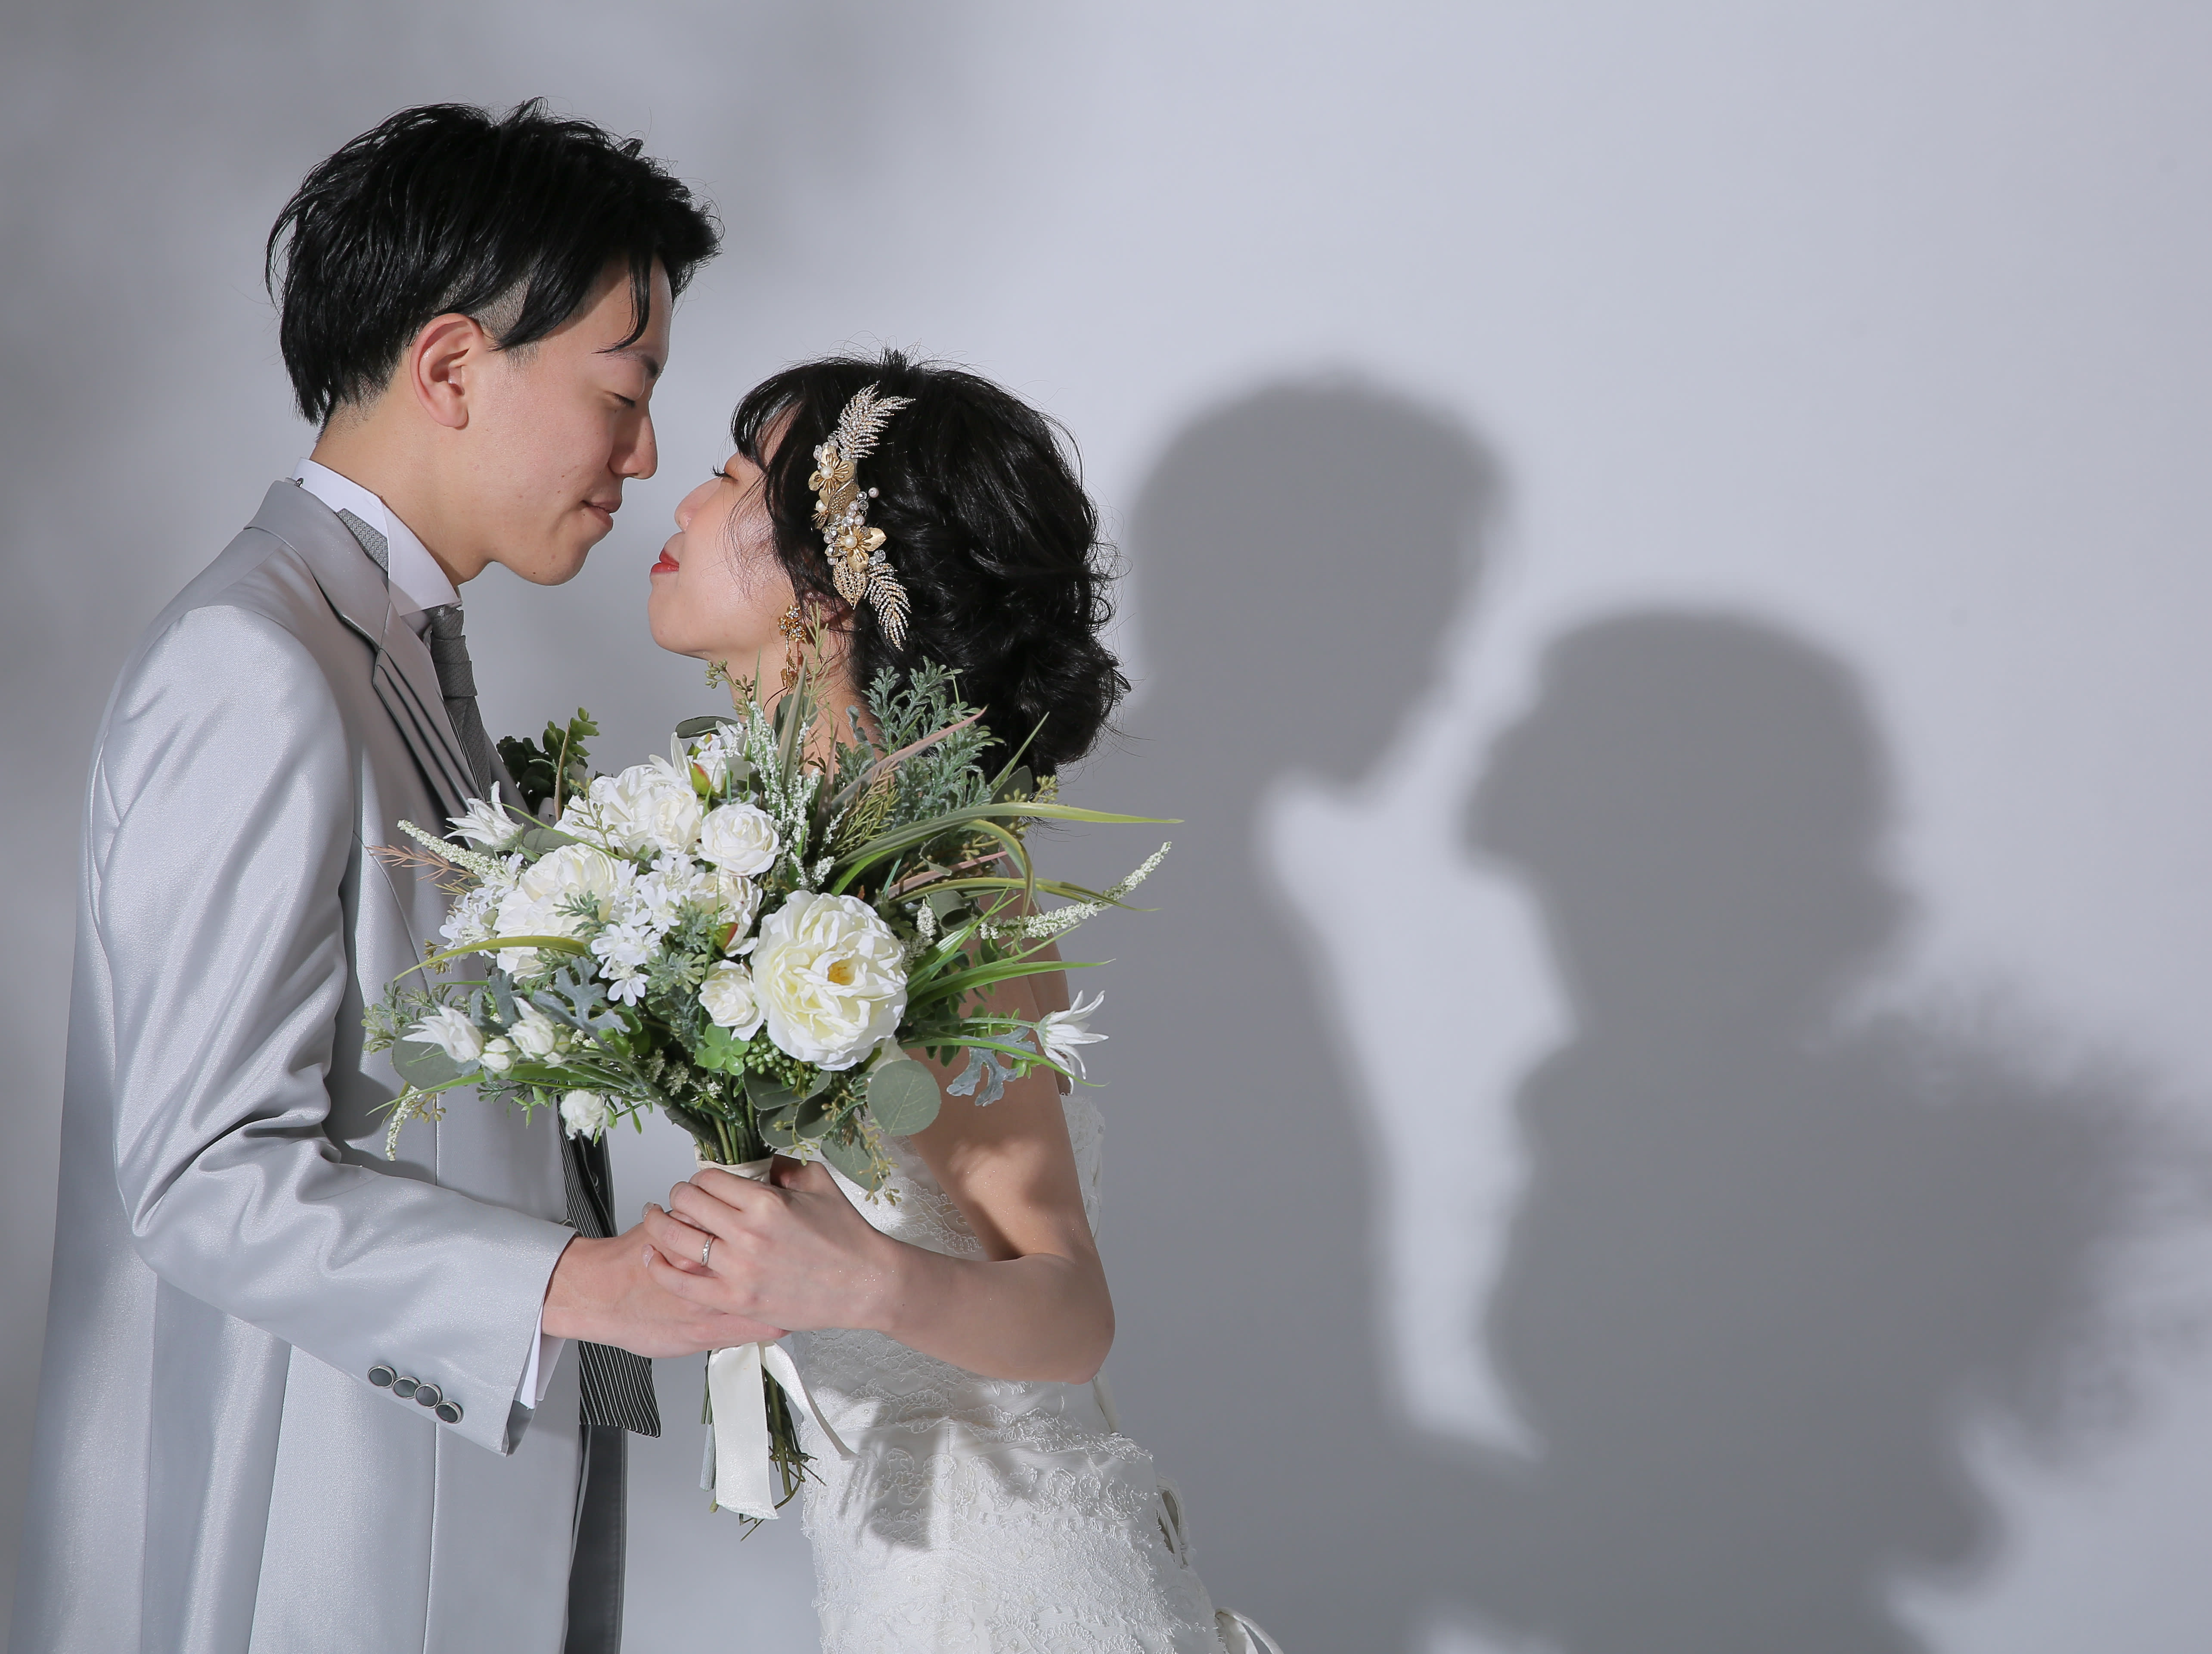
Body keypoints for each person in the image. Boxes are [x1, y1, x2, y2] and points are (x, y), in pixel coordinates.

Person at [10, 102, 772, 1654]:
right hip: (321, 1548)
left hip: (471, 1524)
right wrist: (586, 1291)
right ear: (450, 367)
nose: (642, 455)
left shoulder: (398, 648)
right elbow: (204, 1175)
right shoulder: (253, 664)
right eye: (624, 393)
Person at [634, 350, 1283, 1654]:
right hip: (898, 1574)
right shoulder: (787, 856)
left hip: (1003, 1592)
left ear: (834, 589)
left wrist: (862, 1277)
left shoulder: (939, 892)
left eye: (732, 478)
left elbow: (1071, 1304)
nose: (685, 504)